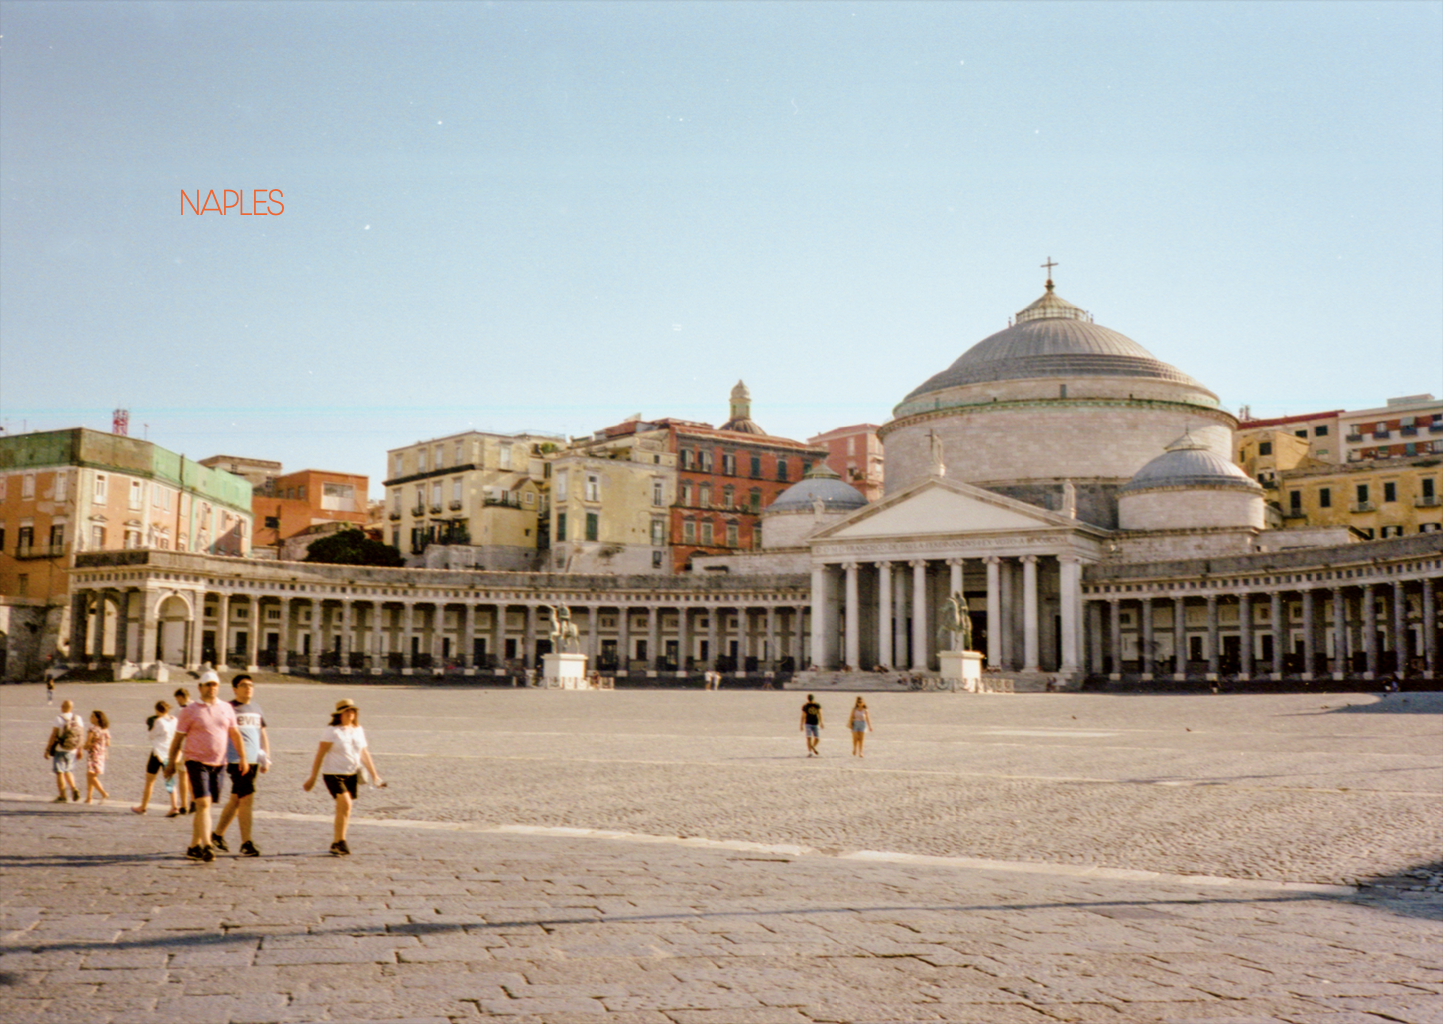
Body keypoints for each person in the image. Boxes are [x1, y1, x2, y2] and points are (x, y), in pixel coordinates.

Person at [164, 675, 247, 862]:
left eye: (214, 684)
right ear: (199, 687)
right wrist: (171, 763)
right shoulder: (189, 710)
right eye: (208, 684)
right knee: (203, 803)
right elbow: (178, 739)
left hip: (219, 763)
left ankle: (194, 846)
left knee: (205, 806)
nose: (211, 688)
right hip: (195, 761)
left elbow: (235, 734)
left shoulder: (226, 708)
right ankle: (207, 845)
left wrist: (243, 757)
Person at [302, 699, 385, 856]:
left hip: (351, 775)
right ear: (339, 714)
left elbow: (364, 753)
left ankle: (338, 842)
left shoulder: (358, 730)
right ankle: (340, 841)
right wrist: (312, 777)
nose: (350, 713)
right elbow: (320, 754)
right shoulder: (332, 731)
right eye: (347, 711)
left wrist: (375, 775)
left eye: (352, 711)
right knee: (345, 803)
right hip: (333, 774)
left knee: (345, 808)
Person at [212, 674, 269, 857]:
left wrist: (266, 756)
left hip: (253, 760)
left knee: (237, 799)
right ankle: (246, 842)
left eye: (251, 685)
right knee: (247, 799)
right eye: (244, 685)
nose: (248, 688)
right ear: (235, 689)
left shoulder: (256, 708)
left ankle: (217, 835)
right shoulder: (228, 708)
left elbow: (262, 733)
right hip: (236, 760)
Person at [133, 701, 179, 815]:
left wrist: (151, 725)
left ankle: (143, 807)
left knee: (150, 781)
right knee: (169, 781)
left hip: (158, 753)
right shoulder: (174, 720)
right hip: (170, 753)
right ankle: (174, 806)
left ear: (157, 710)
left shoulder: (159, 721)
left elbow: (151, 735)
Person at [44, 699, 83, 802]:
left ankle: (63, 796)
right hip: (73, 749)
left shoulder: (59, 718)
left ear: (63, 707)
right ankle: (74, 788)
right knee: (68, 771)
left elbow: (54, 735)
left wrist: (48, 749)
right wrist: (80, 750)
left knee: (60, 772)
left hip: (61, 748)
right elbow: (81, 735)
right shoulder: (78, 718)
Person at [81, 710, 111, 803]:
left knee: (91, 776)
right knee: (91, 775)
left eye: (92, 716)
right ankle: (89, 797)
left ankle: (103, 793)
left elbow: (88, 743)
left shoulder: (92, 729)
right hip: (101, 755)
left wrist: (86, 746)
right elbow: (108, 743)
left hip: (93, 754)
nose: (90, 718)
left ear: (97, 719)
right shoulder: (105, 730)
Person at [171, 686, 193, 814]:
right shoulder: (196, 707)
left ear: (181, 697)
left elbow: (176, 729)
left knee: (182, 776)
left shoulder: (180, 710)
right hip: (196, 746)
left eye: (177, 699)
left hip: (183, 746)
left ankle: (184, 804)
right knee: (193, 776)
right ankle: (194, 801)